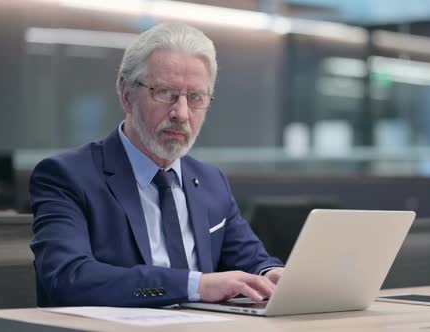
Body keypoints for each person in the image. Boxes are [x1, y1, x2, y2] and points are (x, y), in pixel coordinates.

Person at [29, 22, 284, 307]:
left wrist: (273, 275)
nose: (181, 113)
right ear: (126, 95)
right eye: (165, 93)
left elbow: (252, 260)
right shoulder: (67, 176)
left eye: (195, 97)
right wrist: (195, 285)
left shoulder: (211, 181)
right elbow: (67, 279)